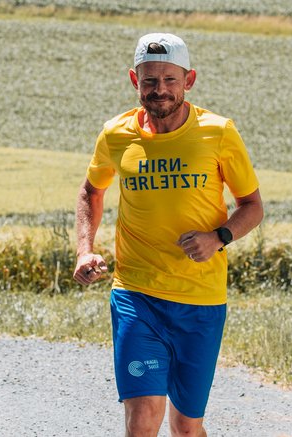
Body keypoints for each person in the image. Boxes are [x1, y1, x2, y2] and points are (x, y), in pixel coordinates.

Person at [73, 32, 263, 437]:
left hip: (200, 301)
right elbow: (92, 190)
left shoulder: (219, 132)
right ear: (133, 80)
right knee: (143, 419)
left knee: (187, 426)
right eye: (150, 81)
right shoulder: (115, 135)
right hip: (136, 295)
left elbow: (252, 206)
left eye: (170, 80)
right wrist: (84, 251)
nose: (160, 90)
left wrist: (219, 237)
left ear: (189, 80)